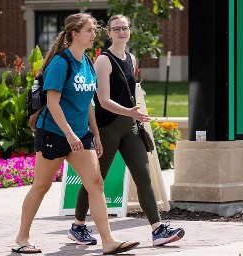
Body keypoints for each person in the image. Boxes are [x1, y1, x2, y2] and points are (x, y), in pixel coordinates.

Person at [13, 13, 140, 255]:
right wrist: (69, 135)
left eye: (94, 30)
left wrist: (95, 134)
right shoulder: (61, 63)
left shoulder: (88, 63)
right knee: (41, 186)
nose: (94, 35)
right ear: (75, 34)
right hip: (54, 134)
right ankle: (22, 237)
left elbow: (89, 103)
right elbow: (53, 104)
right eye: (90, 30)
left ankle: (108, 241)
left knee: (96, 184)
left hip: (80, 135)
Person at [67, 14, 186, 247]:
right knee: (95, 179)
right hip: (108, 127)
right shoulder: (103, 61)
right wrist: (130, 112)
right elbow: (102, 100)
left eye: (125, 28)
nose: (121, 32)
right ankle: (78, 226)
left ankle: (157, 229)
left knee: (143, 177)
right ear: (108, 33)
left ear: (129, 31)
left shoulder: (131, 58)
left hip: (130, 127)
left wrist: (133, 115)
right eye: (116, 29)